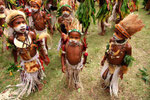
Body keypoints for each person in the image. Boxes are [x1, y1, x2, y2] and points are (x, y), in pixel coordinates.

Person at [4, 10, 50, 98]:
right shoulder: (12, 39)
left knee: (36, 70)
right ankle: (31, 84)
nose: (22, 25)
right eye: (18, 23)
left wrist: (44, 56)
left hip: (34, 57)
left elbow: (39, 45)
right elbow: (14, 50)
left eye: (23, 22)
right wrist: (15, 61)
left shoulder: (31, 34)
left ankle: (37, 82)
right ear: (12, 26)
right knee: (27, 73)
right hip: (24, 60)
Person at [100, 14, 144, 97]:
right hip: (109, 63)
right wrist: (104, 59)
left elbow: (127, 60)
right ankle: (107, 83)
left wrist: (123, 70)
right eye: (115, 31)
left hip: (117, 66)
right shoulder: (112, 40)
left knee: (113, 78)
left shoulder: (127, 47)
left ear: (124, 36)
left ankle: (110, 86)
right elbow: (107, 50)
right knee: (104, 76)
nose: (114, 34)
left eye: (117, 33)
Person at [61, 19, 88, 89]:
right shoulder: (66, 45)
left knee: (76, 73)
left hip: (77, 64)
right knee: (69, 73)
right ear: (68, 36)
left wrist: (83, 63)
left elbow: (85, 55)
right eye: (71, 37)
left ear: (80, 38)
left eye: (76, 38)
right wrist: (63, 65)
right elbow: (63, 55)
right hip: (69, 64)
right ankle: (69, 81)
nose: (73, 39)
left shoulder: (81, 45)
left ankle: (76, 82)